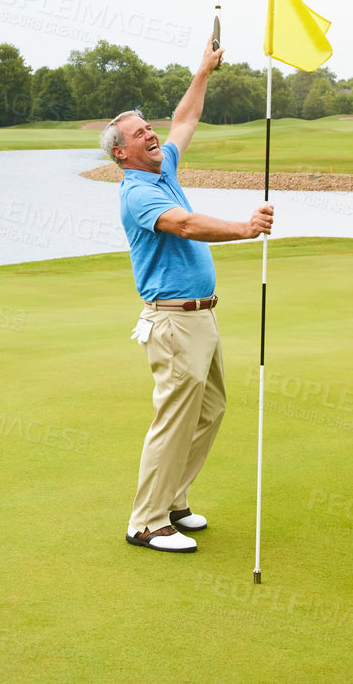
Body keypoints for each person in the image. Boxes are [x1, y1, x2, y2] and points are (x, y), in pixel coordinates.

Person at [103, 41, 275, 554]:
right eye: (139, 134)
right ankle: (147, 522)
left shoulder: (164, 169)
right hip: (174, 322)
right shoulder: (138, 193)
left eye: (147, 127)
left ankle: (174, 500)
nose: (151, 134)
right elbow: (182, 224)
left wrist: (202, 70)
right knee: (173, 418)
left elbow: (184, 120)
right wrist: (245, 229)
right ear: (121, 152)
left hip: (202, 318)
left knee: (212, 408)